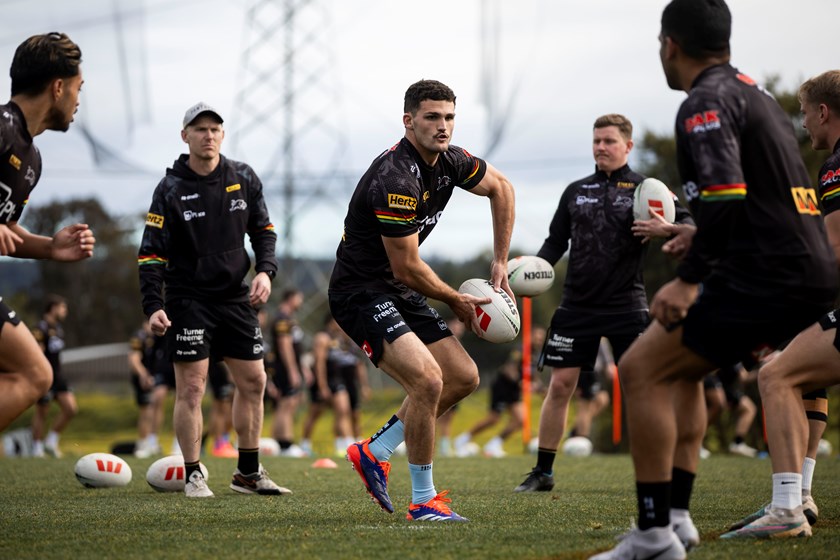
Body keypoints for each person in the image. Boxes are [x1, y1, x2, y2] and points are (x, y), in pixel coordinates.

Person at [589, 3, 838, 557]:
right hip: (799, 265)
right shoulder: (755, 93)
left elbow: (726, 195)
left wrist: (687, 278)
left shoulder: (703, 101)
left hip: (769, 272)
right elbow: (757, 200)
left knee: (640, 369)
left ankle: (654, 535)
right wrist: (697, 236)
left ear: (670, 44)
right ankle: (678, 522)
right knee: (679, 372)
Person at [329, 79, 515, 522]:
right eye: (432, 117)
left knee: (463, 376)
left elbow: (502, 188)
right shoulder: (394, 177)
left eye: (449, 117)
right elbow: (406, 267)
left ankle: (375, 452)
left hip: (400, 290)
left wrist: (500, 262)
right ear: (409, 121)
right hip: (361, 291)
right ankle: (423, 501)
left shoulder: (451, 161)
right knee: (429, 381)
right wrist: (457, 300)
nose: (443, 126)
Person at [514, 113, 694, 494]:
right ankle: (543, 471)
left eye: (609, 141)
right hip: (576, 305)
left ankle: (658, 469)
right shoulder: (575, 190)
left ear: (628, 146)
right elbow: (554, 244)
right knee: (561, 386)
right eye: (596, 141)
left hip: (627, 305)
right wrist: (528, 270)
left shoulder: (650, 188)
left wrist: (667, 230)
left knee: (640, 386)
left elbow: (691, 229)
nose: (600, 147)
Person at [138, 101, 289, 498]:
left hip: (235, 298)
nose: (208, 135)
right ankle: (193, 473)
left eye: (215, 129)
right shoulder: (170, 188)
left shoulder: (242, 175)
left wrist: (264, 270)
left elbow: (264, 231)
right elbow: (151, 253)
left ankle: (247, 473)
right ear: (185, 135)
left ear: (223, 135)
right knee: (192, 388)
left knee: (255, 380)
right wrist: (153, 305)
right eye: (199, 129)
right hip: (188, 299)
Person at [721, 69, 840, 539]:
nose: (805, 122)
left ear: (824, 112)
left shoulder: (835, 165)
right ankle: (800, 497)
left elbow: (833, 252)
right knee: (801, 374)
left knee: (775, 374)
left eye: (806, 113)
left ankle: (787, 508)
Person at [0, 32, 94, 432]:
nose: (77, 100)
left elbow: (6, 231)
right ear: (58, 87)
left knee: (37, 374)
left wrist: (50, 248)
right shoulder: (1, 128)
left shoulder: (32, 159)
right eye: (78, 88)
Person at [300, 314, 355, 456]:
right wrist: (322, 386)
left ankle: (347, 446)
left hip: (337, 380)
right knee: (315, 414)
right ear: (331, 322)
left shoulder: (337, 339)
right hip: (324, 381)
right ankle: (304, 444)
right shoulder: (322, 337)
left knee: (343, 410)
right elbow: (319, 363)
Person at [30, 295, 75, 458]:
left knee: (70, 409)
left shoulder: (58, 328)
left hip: (58, 376)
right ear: (54, 307)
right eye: (63, 307)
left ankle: (51, 441)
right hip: (45, 377)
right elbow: (36, 353)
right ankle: (36, 447)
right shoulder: (40, 328)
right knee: (42, 411)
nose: (65, 311)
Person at [268, 289, 308, 457]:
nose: (301, 302)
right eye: (299, 298)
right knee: (287, 403)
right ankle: (285, 444)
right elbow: (285, 346)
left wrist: (303, 368)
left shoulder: (290, 319)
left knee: (287, 403)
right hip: (283, 368)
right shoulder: (282, 319)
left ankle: (276, 443)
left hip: (290, 367)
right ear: (290, 298)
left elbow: (296, 347)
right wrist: (292, 371)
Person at [702, 364, 759, 458]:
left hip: (724, 388)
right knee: (748, 408)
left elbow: (745, 377)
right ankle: (694, 440)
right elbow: (744, 378)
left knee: (748, 409)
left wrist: (764, 369)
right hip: (717, 385)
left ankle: (738, 443)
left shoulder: (739, 361)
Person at [567, 337, 614, 442]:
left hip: (595, 372)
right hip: (585, 370)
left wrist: (608, 364)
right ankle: (582, 438)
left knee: (602, 399)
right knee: (585, 406)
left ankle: (576, 429)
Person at [127, 319, 160, 458]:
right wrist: (144, 375)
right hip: (143, 379)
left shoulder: (157, 337)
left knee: (155, 408)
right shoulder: (139, 336)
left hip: (154, 376)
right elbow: (133, 359)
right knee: (146, 410)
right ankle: (142, 443)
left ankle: (152, 442)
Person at [436, 317, 465, 457]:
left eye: (461, 327)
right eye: (456, 325)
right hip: (441, 384)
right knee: (434, 416)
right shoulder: (441, 342)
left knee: (448, 418)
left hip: (454, 385)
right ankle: (430, 445)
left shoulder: (459, 346)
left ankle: (444, 446)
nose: (458, 329)